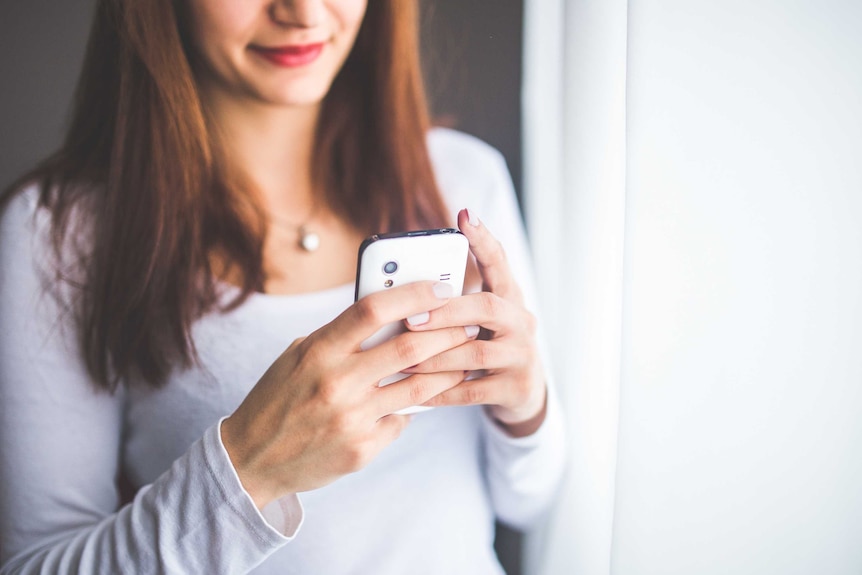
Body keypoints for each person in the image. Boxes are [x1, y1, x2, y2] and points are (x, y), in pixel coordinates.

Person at [0, 0, 565, 573]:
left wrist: (525, 407)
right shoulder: (59, 233)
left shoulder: (464, 180)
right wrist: (250, 468)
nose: (302, 13)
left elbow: (530, 500)